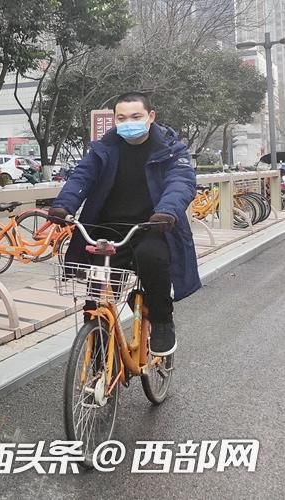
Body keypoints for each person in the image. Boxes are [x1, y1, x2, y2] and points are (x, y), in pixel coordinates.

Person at [48, 92, 200, 356]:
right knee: (97, 294)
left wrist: (166, 211)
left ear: (150, 117)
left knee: (152, 258)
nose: (129, 122)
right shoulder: (103, 149)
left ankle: (162, 322)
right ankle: (96, 348)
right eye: (122, 118)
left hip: (152, 227)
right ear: (115, 120)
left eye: (136, 116)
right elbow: (81, 177)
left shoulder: (171, 149)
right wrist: (64, 205)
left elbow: (181, 182)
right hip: (107, 229)